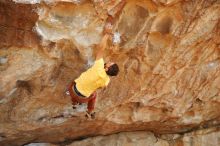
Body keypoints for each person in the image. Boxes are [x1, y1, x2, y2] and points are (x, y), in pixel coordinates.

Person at [66, 34, 119, 118]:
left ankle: (74, 103)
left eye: (109, 63)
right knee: (94, 95)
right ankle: (90, 111)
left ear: (107, 69)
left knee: (75, 82)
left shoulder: (99, 66)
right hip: (83, 99)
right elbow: (100, 88)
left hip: (72, 91)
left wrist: (106, 35)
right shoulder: (106, 81)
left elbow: (100, 49)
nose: (109, 61)